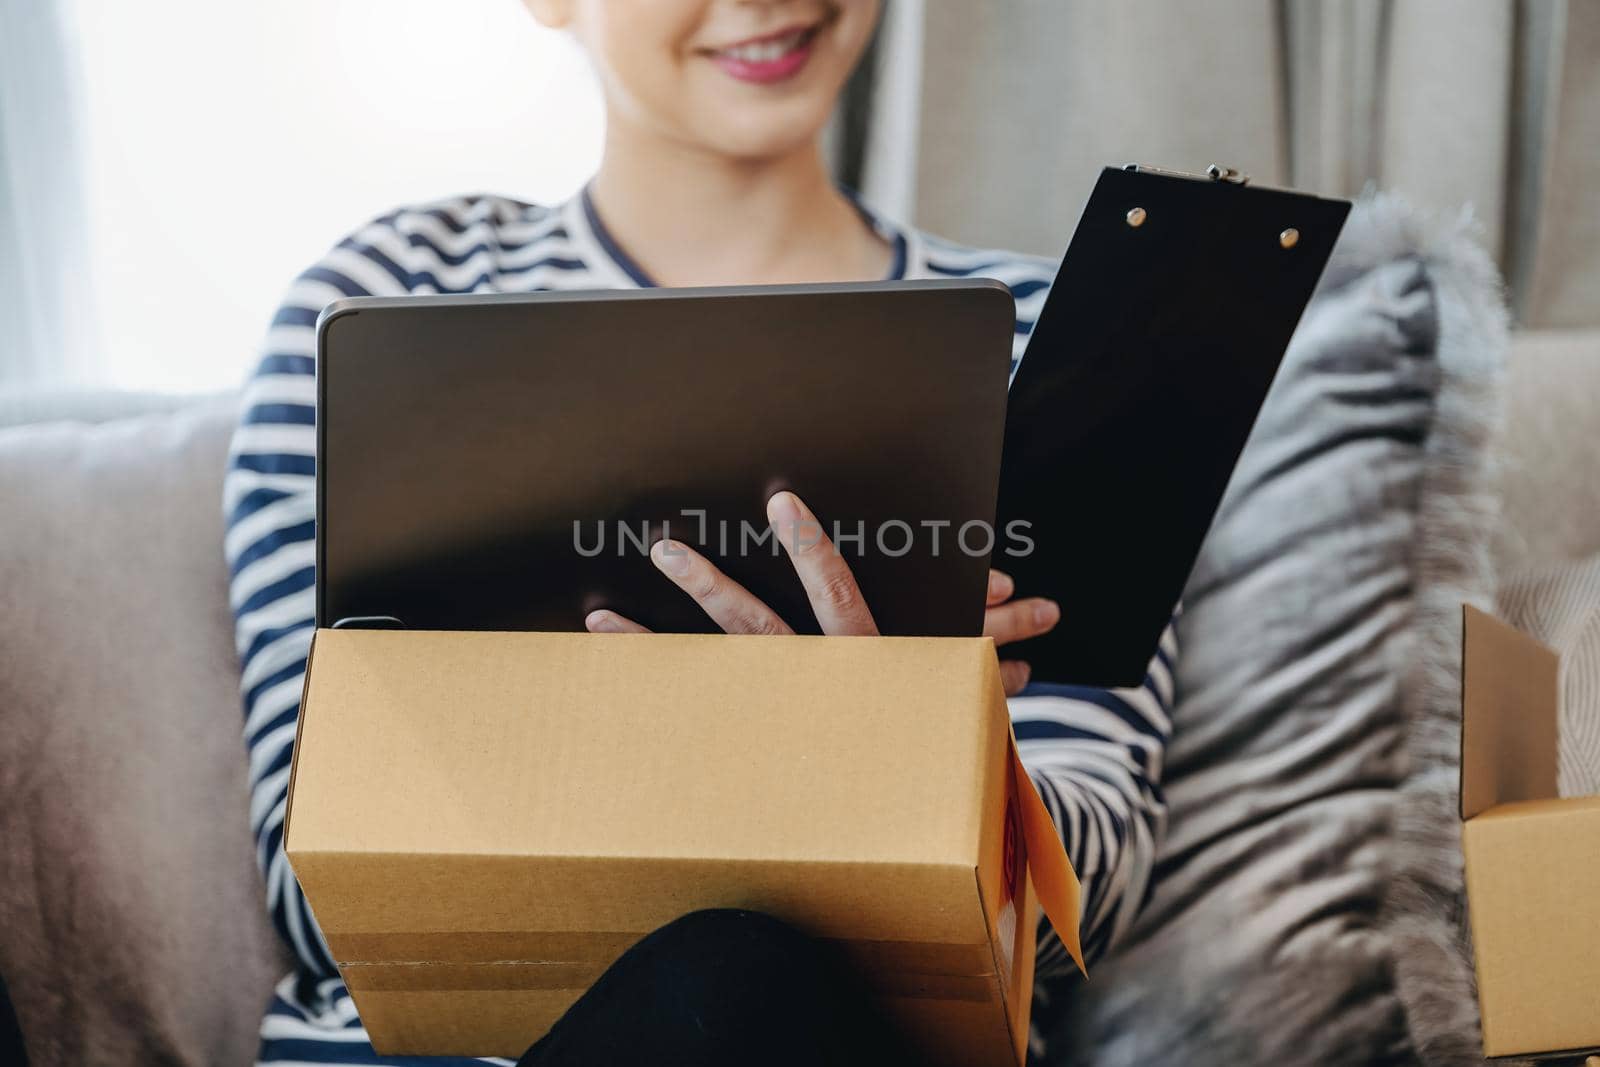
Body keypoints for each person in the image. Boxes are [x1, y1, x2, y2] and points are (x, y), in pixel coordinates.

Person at [224, 1, 1176, 1062]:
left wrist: (908, 751)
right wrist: (759, 759)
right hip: (450, 1046)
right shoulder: (386, 307)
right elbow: (314, 876)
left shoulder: (1054, 336)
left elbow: (1091, 896)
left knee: (747, 975)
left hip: (866, 1035)